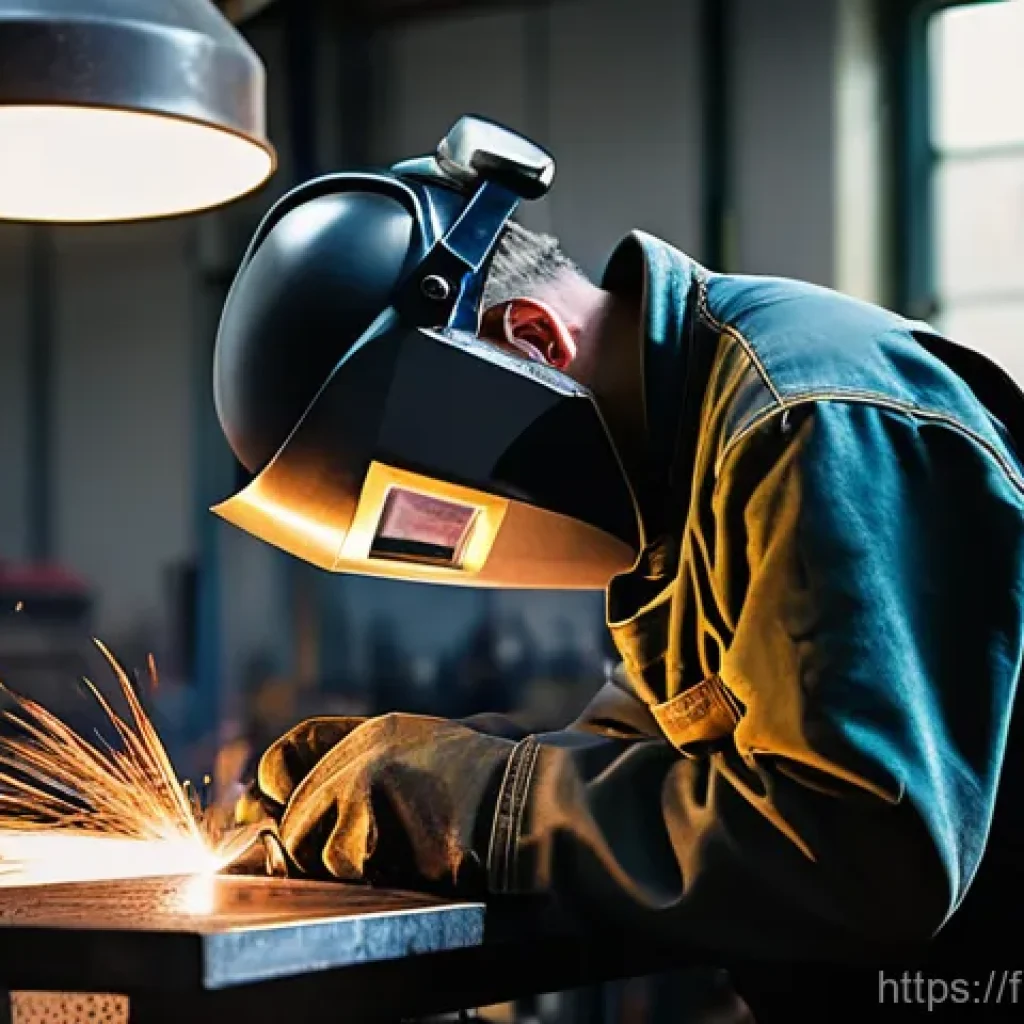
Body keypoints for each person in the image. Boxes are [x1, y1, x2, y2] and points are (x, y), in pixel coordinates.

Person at [217, 117, 1024, 1015]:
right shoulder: (677, 461)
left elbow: (855, 854)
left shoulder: (800, 423)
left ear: (533, 339)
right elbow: (658, 757)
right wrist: (426, 769)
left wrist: (475, 799)